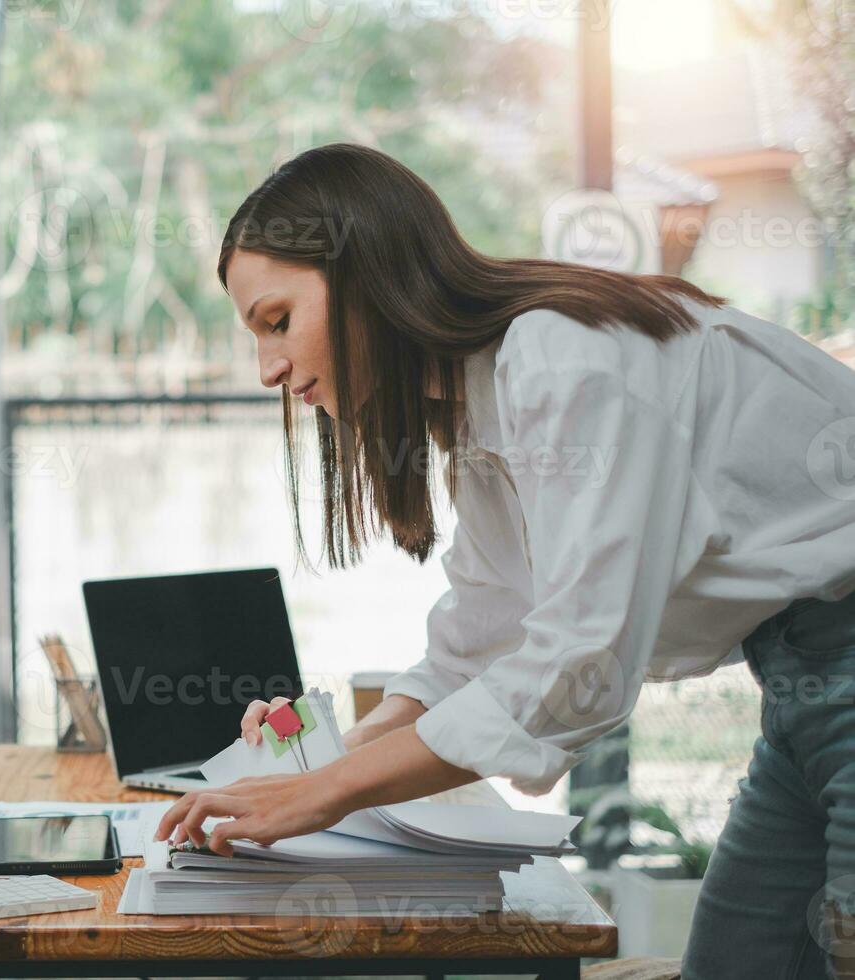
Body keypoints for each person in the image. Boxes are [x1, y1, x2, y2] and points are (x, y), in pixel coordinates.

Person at [152, 142, 855, 979]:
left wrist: (321, 795)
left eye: (277, 321)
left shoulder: (563, 360)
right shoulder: (481, 400)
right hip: (801, 682)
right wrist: (328, 757)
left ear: (369, 274)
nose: (268, 368)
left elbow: (575, 663)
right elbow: (476, 643)